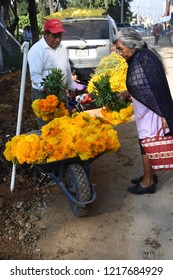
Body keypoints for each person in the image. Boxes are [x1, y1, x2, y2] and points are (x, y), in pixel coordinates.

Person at [114, 27, 173, 195]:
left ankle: (148, 182)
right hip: (147, 111)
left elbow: (156, 89)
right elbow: (141, 86)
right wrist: (127, 93)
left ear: (132, 45)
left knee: (146, 146)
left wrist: (163, 114)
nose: (120, 53)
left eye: (121, 48)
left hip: (151, 112)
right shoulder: (141, 56)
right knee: (146, 144)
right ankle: (149, 175)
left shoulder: (143, 59)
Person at [27, 19, 75, 128]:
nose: (57, 40)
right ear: (46, 34)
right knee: (48, 127)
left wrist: (71, 86)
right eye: (54, 36)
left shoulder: (62, 48)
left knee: (63, 122)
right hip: (43, 95)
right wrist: (48, 88)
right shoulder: (36, 50)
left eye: (60, 36)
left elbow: (66, 67)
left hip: (60, 91)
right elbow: (35, 76)